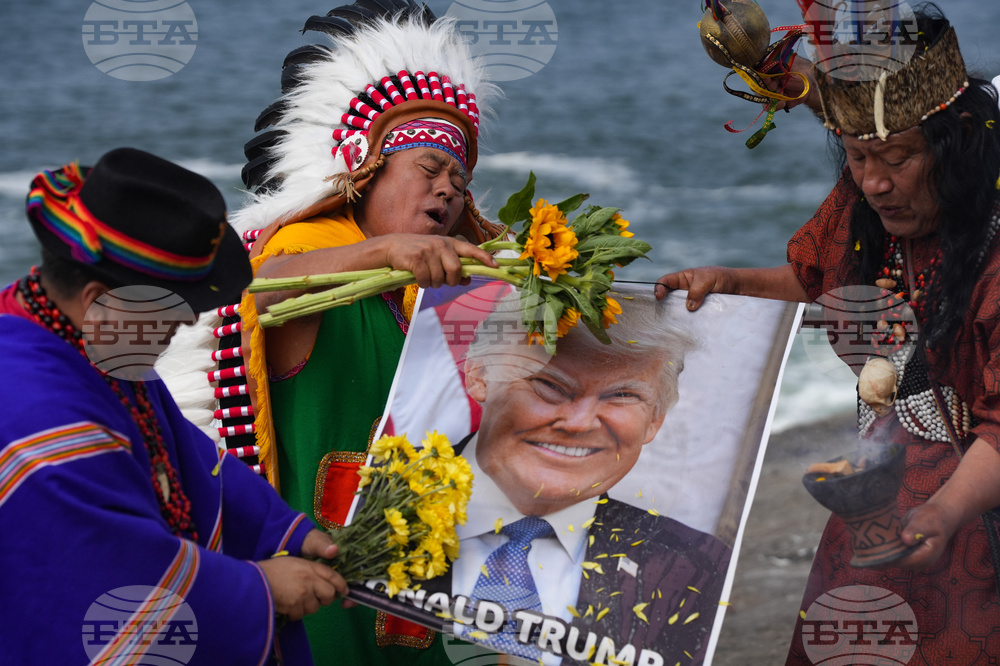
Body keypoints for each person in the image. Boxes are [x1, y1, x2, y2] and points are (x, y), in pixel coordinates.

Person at [155, 3, 504, 664]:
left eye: (459, 179)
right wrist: (384, 252)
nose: (449, 190)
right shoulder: (313, 247)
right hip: (316, 592)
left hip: (410, 590)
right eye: (428, 168)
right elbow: (259, 286)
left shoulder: (428, 289)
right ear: (363, 167)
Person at [657, 6, 1000, 663]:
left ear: (955, 141)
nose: (873, 182)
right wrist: (727, 279)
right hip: (876, 501)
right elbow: (815, 274)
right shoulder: (865, 203)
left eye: (896, 158)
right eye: (855, 156)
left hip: (976, 519)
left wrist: (944, 513)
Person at [0, 147, 349, 665]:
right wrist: (260, 591)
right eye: (174, 306)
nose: (186, 325)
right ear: (100, 301)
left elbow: (185, 457)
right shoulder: (38, 415)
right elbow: (112, 579)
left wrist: (284, 529)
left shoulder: (79, 334)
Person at [419, 293, 731, 665]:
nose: (580, 422)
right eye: (550, 385)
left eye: (623, 395)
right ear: (480, 376)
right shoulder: (363, 500)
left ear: (655, 421)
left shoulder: (698, 568)